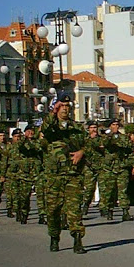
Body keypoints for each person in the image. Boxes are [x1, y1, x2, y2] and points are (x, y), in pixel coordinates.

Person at [40, 91, 87, 254]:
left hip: (73, 175)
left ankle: (78, 240)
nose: (65, 109)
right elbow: (44, 129)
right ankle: (54, 237)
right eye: (62, 106)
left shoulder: (77, 128)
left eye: (68, 106)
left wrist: (82, 151)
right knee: (53, 211)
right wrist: (52, 112)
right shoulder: (50, 128)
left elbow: (89, 145)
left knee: (74, 209)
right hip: (54, 177)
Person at [99, 119, 134, 221]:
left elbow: (130, 152)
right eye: (113, 125)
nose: (115, 126)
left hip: (122, 167)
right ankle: (110, 210)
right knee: (110, 190)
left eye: (117, 125)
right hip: (110, 168)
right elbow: (104, 145)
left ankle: (125, 212)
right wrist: (110, 135)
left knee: (123, 190)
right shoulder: (105, 137)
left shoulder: (124, 138)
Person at [82, 121, 102, 216]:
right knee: (89, 188)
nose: (94, 129)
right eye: (92, 128)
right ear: (88, 129)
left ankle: (104, 208)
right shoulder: (85, 140)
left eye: (95, 127)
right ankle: (86, 204)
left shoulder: (102, 139)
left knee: (104, 188)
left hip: (101, 166)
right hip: (89, 167)